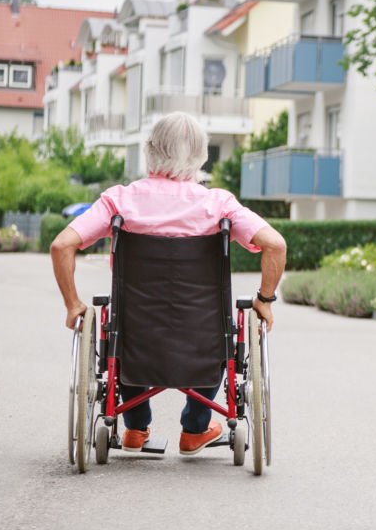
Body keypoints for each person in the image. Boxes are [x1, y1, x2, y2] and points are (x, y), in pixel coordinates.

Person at [49, 112, 287, 456]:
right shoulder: (218, 204)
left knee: (121, 334)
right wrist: (264, 299)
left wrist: (73, 303)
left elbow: (61, 245)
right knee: (216, 335)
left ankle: (134, 427)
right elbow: (275, 245)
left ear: (150, 150)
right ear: (201, 155)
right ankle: (194, 428)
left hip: (135, 335)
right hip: (202, 336)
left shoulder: (120, 200)